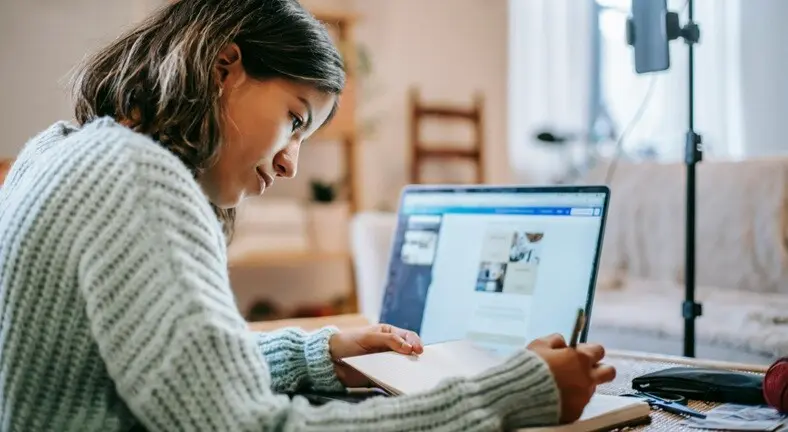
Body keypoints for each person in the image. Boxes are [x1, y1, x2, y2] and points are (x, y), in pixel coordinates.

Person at [0, 1, 616, 430]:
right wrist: (507, 393)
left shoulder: (59, 149)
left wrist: (321, 356)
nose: (292, 163)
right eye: (296, 120)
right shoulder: (136, 179)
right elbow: (246, 426)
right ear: (223, 65)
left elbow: (168, 374)